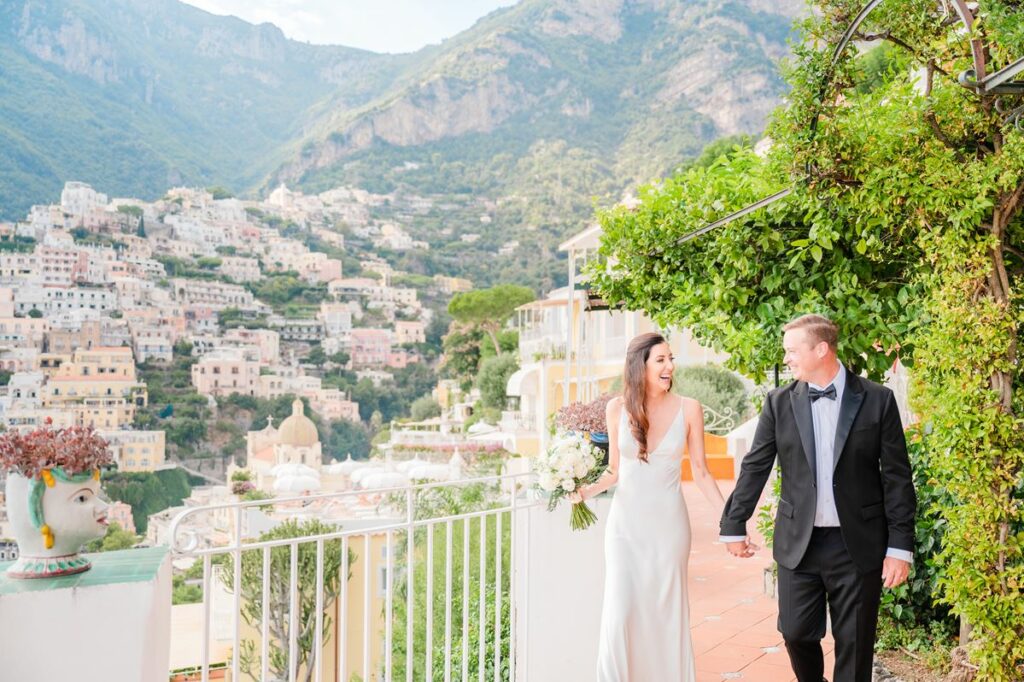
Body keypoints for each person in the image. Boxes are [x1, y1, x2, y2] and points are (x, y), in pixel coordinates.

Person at [720, 314, 916, 682]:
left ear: (821, 349)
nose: (787, 359)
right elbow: (756, 466)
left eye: (792, 351)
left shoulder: (878, 400)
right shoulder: (778, 403)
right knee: (794, 632)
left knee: (856, 645)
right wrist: (734, 523)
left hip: (857, 543)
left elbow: (897, 478)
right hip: (799, 544)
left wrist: (900, 547)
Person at [570, 332, 728, 681]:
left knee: (666, 614)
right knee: (621, 612)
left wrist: (729, 519)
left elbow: (701, 471)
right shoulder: (616, 409)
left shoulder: (690, 408)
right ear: (639, 366)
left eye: (671, 359)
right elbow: (614, 471)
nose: (670, 366)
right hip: (625, 529)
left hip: (669, 528)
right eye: (661, 360)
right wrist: (582, 490)